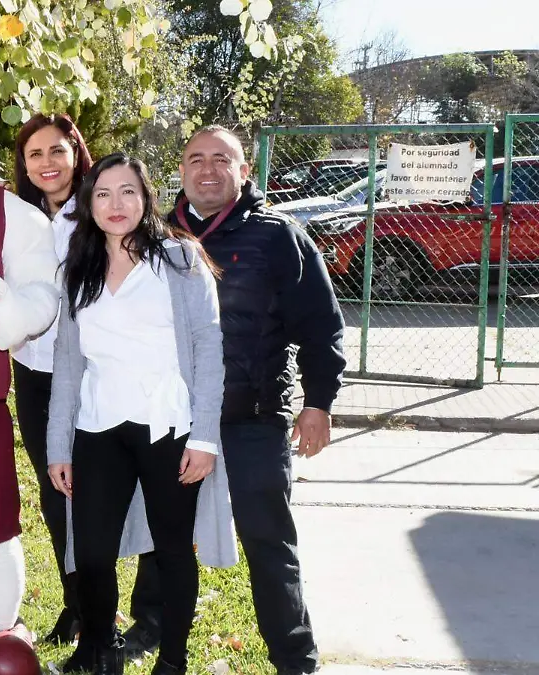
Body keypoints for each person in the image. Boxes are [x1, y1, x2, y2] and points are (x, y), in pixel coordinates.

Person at [129, 125, 347, 675]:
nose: (207, 170)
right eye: (195, 159)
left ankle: (295, 657)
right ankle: (151, 625)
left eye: (221, 160)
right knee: (163, 532)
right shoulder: (151, 237)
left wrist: (318, 403)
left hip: (251, 417)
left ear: (244, 171)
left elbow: (321, 325)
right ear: (179, 171)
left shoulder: (280, 237)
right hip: (172, 417)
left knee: (269, 538)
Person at [46, 152, 232, 675]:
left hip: (169, 426)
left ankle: (173, 659)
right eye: (102, 194)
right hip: (98, 428)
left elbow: (210, 348)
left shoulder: (180, 260)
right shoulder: (77, 270)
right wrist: (59, 444)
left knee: (172, 550)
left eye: (127, 191)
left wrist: (205, 436)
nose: (115, 204)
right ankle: (101, 652)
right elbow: (66, 365)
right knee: (95, 553)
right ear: (89, 205)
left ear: (146, 197)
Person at [9, 112, 93, 645]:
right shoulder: (14, 217)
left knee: (90, 491)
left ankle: (102, 607)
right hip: (32, 371)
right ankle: (75, 604)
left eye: (56, 151)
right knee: (52, 489)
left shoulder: (97, 210)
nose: (46, 163)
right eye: (34, 154)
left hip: (86, 372)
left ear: (75, 154)